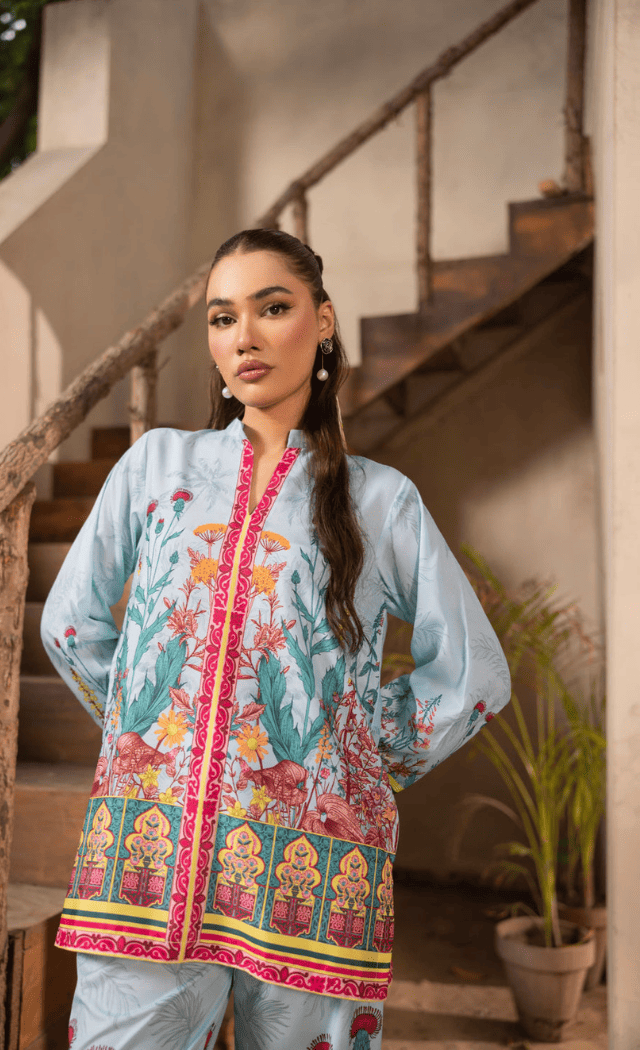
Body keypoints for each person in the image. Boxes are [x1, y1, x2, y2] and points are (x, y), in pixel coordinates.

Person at [41, 228, 511, 1050]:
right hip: (148, 866)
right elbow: (71, 624)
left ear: (323, 322)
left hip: (312, 878)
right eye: (223, 318)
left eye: (273, 308)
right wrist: (149, 739)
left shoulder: (379, 501)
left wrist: (359, 767)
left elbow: (472, 672)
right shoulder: (158, 467)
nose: (245, 336)